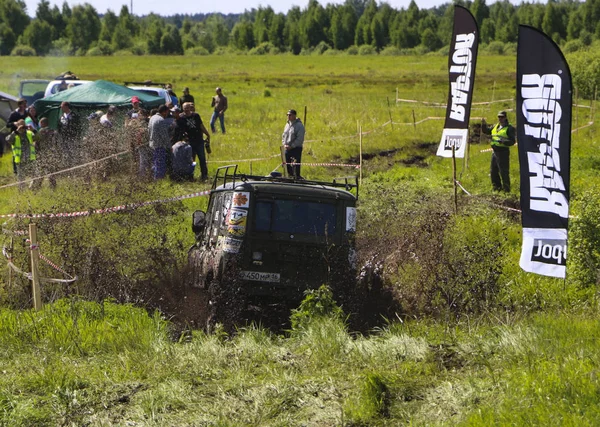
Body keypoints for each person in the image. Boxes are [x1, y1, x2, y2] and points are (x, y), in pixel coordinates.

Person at [174, 102, 211, 181]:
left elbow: (201, 126)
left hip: (199, 140)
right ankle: (190, 176)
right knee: (191, 160)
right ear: (182, 109)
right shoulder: (181, 118)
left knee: (202, 159)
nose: (186, 110)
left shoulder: (196, 116)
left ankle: (204, 175)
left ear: (190, 108)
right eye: (185, 108)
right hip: (189, 142)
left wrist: (207, 134)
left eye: (188, 108)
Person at [482, 110, 516, 192]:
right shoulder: (495, 126)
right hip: (494, 152)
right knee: (493, 171)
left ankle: (507, 190)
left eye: (502, 117)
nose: (500, 118)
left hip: (503, 152)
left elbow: (512, 141)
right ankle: (497, 188)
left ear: (505, 118)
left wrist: (503, 142)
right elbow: (487, 131)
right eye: (499, 117)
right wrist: (483, 124)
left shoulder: (509, 128)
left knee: (503, 172)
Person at [148, 105, 172, 179]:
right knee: (160, 163)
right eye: (167, 112)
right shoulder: (160, 120)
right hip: (159, 145)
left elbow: (148, 130)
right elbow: (164, 135)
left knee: (155, 162)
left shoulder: (152, 117)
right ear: (164, 112)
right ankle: (159, 179)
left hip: (152, 143)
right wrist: (169, 146)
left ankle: (153, 177)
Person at [282, 109, 305, 178]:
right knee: (286, 164)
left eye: (290, 115)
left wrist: (292, 146)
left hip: (296, 148)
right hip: (287, 149)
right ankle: (289, 177)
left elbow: (300, 139)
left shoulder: (299, 126)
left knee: (296, 165)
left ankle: (296, 178)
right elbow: (283, 136)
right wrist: (284, 144)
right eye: (287, 115)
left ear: (294, 116)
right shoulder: (287, 125)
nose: (288, 116)